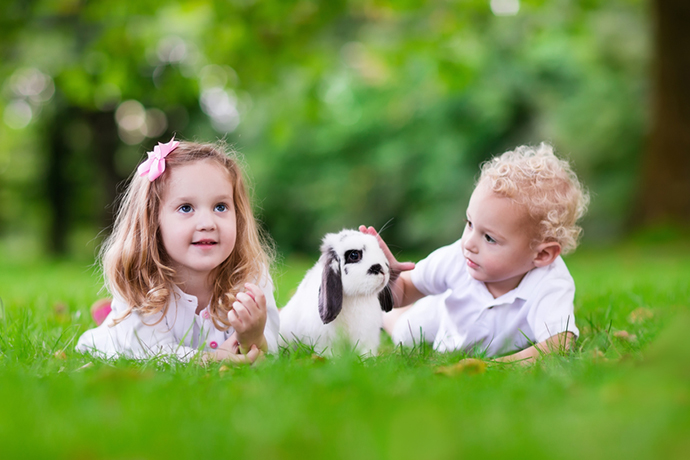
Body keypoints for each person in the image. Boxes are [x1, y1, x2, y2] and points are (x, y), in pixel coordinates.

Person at [362, 143, 589, 363]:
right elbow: (405, 289)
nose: (469, 243)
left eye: (489, 238)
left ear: (541, 255)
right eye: (469, 223)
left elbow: (558, 345)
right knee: (406, 333)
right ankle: (386, 317)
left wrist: (498, 366)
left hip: (474, 332)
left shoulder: (550, 282)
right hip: (440, 317)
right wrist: (388, 280)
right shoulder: (456, 258)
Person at [76, 137, 279, 364]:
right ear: (153, 221)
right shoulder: (141, 280)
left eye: (220, 207)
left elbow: (271, 349)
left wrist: (254, 338)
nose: (207, 223)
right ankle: (116, 318)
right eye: (186, 208)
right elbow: (152, 353)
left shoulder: (250, 276)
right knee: (126, 326)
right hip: (123, 344)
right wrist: (214, 360)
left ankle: (109, 312)